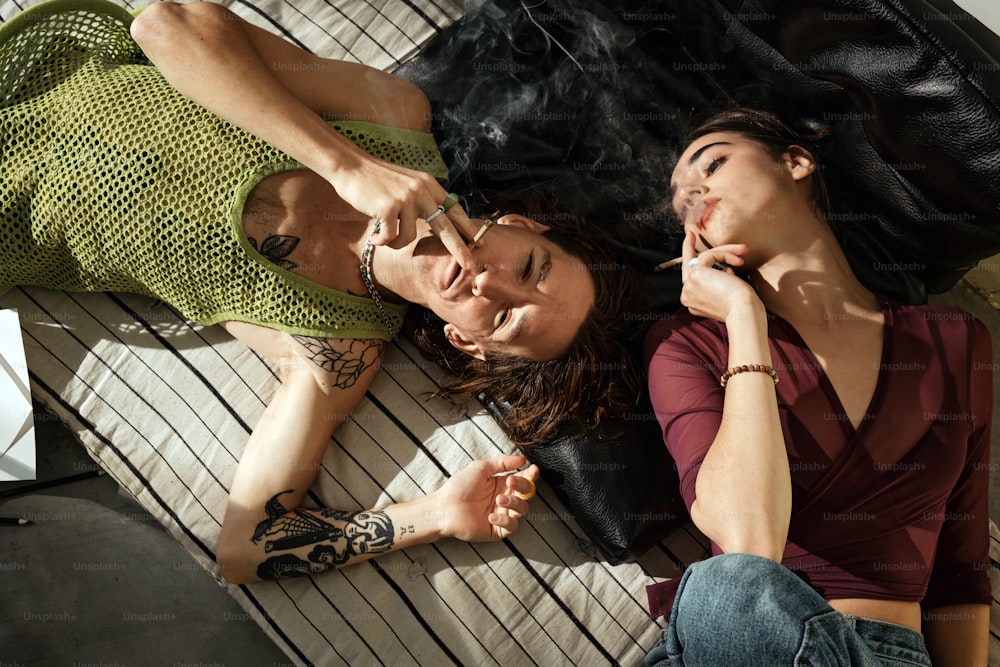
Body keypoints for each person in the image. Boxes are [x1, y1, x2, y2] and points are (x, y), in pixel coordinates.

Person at [0, 0, 637, 583]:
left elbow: (244, 547)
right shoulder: (392, 118)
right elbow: (165, 25)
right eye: (528, 267)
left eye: (502, 320)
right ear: (521, 226)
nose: (488, 281)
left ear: (466, 344)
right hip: (28, 74)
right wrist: (346, 165)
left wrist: (436, 514)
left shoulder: (339, 349)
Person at [643, 108, 991, 666]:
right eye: (683, 203)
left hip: (886, 657)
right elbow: (748, 543)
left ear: (797, 161)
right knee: (723, 586)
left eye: (713, 163)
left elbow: (960, 569)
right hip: (743, 639)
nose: (696, 194)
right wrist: (742, 318)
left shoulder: (957, 341)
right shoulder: (685, 346)